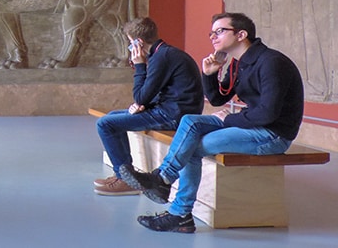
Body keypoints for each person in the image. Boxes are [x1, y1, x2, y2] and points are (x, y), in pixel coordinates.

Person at [120, 12, 305, 234]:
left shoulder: (271, 63)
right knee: (190, 121)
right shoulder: (239, 64)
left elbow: (268, 114)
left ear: (241, 34)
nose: (213, 37)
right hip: (251, 125)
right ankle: (164, 181)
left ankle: (178, 210)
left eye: (220, 31)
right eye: (212, 33)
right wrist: (209, 74)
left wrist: (229, 118)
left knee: (192, 148)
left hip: (272, 134)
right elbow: (218, 99)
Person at [94, 17, 203, 197]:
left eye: (130, 43)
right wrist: (143, 106)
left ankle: (125, 180)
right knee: (112, 116)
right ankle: (125, 175)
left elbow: (141, 96)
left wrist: (139, 65)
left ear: (139, 42)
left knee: (105, 124)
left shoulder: (162, 57)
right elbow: (154, 94)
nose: (130, 48)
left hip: (172, 115)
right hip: (170, 109)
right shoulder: (163, 53)